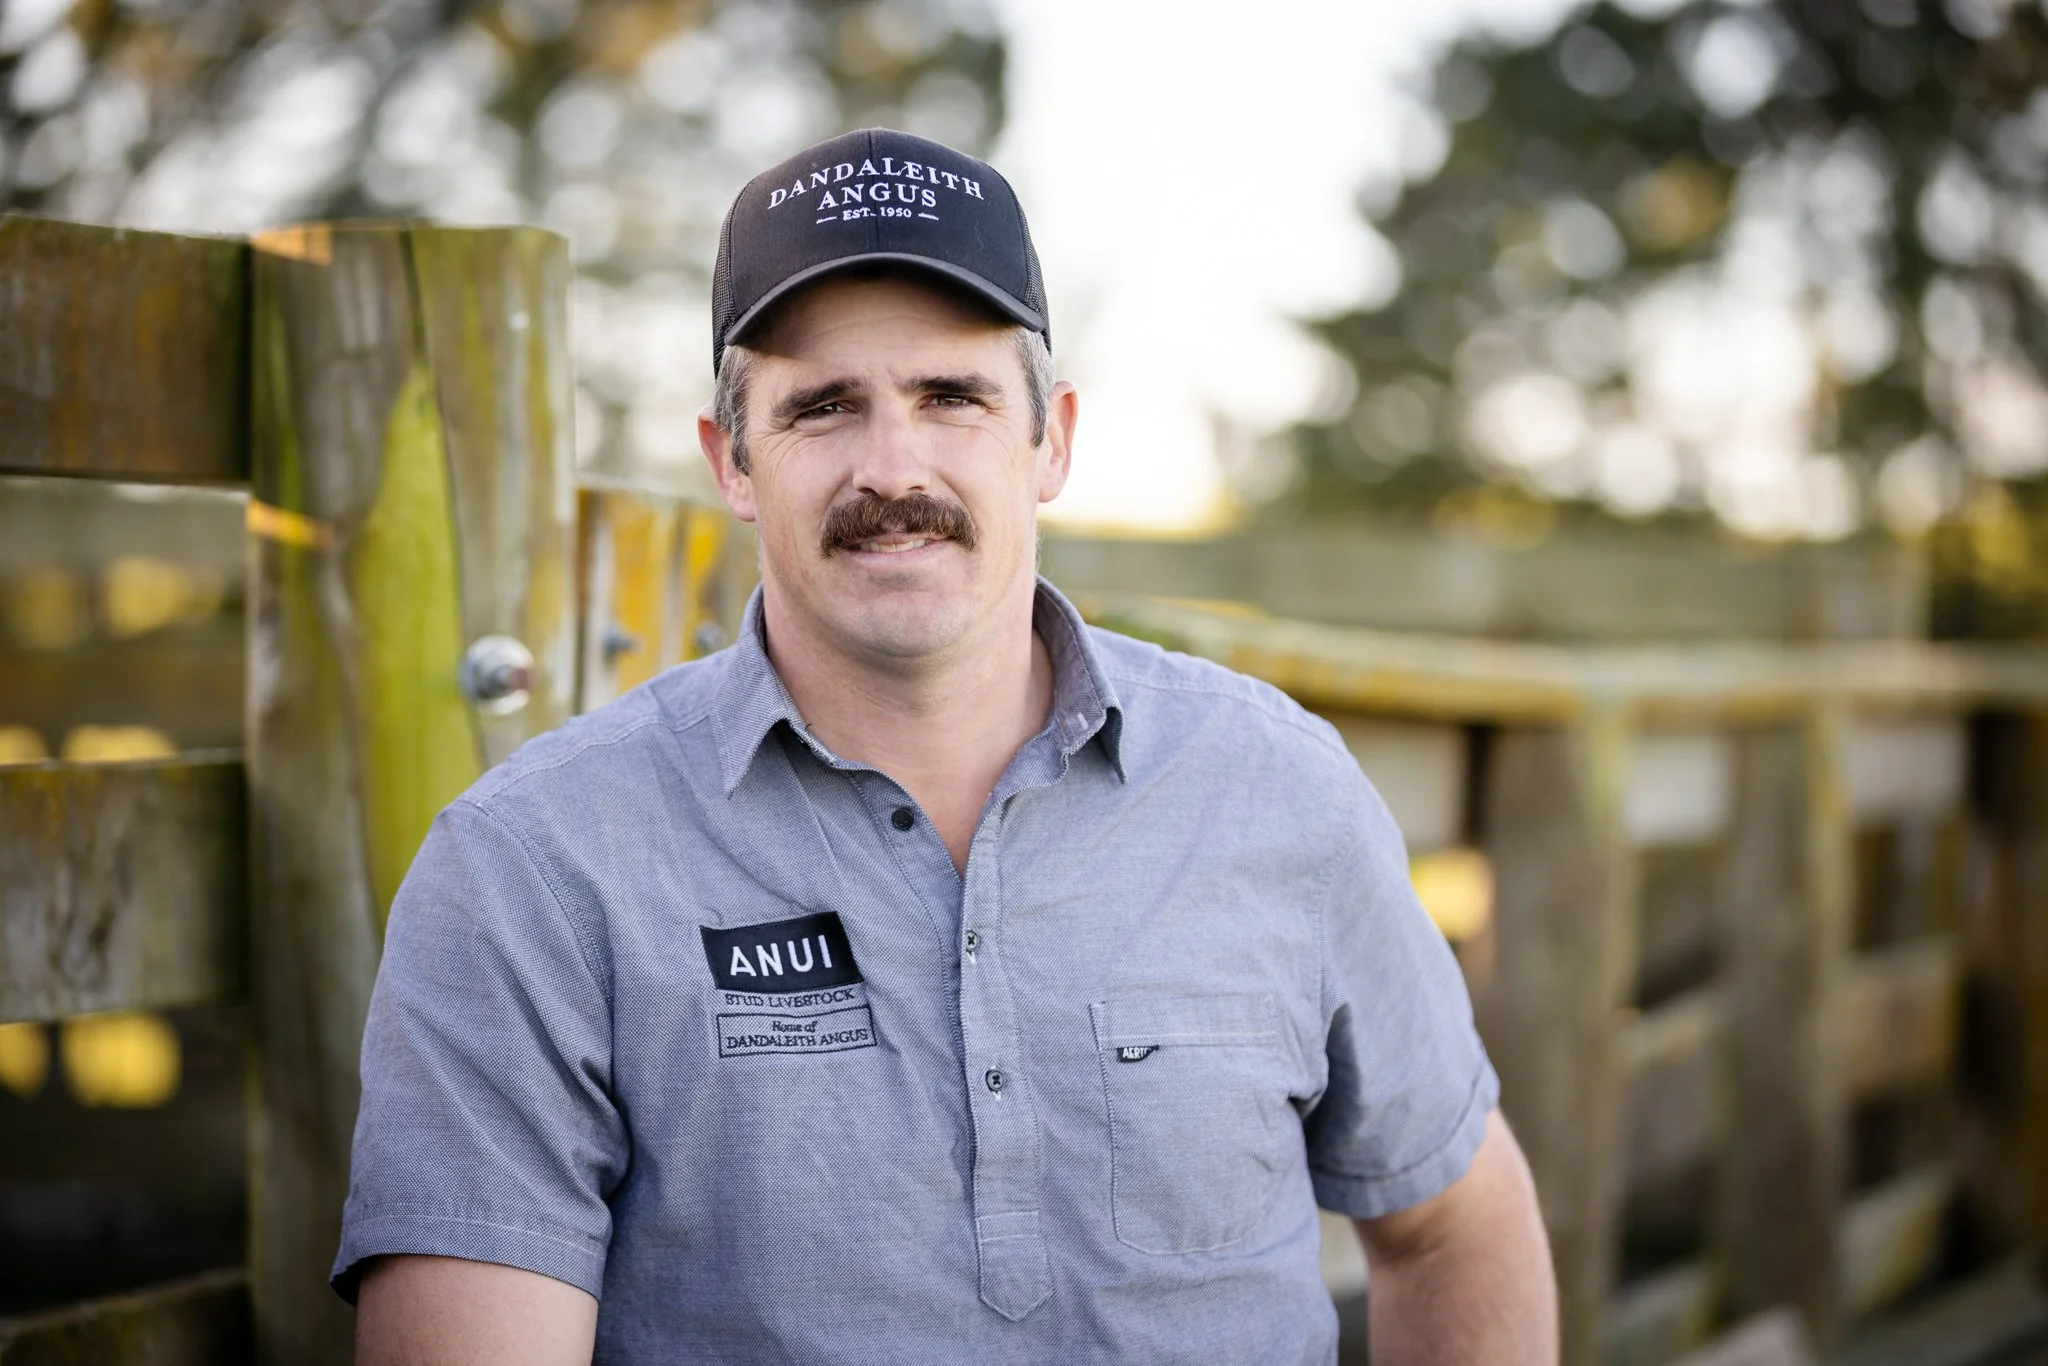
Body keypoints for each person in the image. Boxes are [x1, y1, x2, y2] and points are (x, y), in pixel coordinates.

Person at [337, 127, 1557, 1365]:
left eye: (951, 397)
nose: (891, 466)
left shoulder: (1273, 788)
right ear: (733, 464)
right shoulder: (530, 869)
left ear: (1051, 441)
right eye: (820, 406)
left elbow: (1454, 1222)